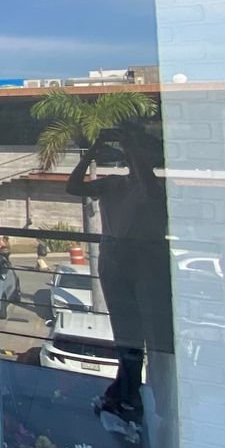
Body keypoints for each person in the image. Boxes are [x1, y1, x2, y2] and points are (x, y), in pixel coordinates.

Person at [65, 121, 171, 423]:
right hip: (115, 258)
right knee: (126, 331)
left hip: (147, 261)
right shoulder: (112, 184)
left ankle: (138, 392)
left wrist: (130, 146)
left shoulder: (156, 187)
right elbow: (73, 187)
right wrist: (93, 152)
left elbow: (148, 187)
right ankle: (127, 390)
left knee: (152, 332)